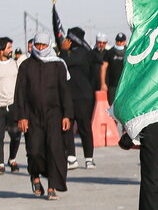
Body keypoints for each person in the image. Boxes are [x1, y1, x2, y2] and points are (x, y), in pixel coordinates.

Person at [13, 32, 71, 200]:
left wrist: (67, 114)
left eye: (43, 45)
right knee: (35, 150)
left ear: (49, 45)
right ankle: (35, 177)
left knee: (54, 150)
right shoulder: (26, 65)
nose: (40, 48)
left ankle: (52, 187)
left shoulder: (58, 65)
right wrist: (21, 116)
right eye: (37, 45)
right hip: (32, 116)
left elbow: (65, 92)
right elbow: (20, 93)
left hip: (54, 115)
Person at [58, 27, 97, 169]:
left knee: (84, 127)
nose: (66, 41)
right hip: (69, 96)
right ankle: (71, 157)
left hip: (82, 96)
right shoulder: (69, 53)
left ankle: (89, 158)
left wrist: (62, 51)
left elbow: (63, 64)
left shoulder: (81, 53)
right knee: (67, 127)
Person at [0, 37, 22, 173]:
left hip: (13, 105)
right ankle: (0, 163)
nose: (11, 50)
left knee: (16, 135)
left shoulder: (16, 64)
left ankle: (12, 159)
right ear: (1, 49)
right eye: (8, 47)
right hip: (0, 106)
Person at [100, 32, 128, 105]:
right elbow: (104, 67)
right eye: (118, 41)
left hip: (125, 85)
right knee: (112, 106)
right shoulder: (110, 52)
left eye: (121, 41)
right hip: (113, 85)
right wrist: (103, 83)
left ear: (125, 42)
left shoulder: (128, 52)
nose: (119, 43)